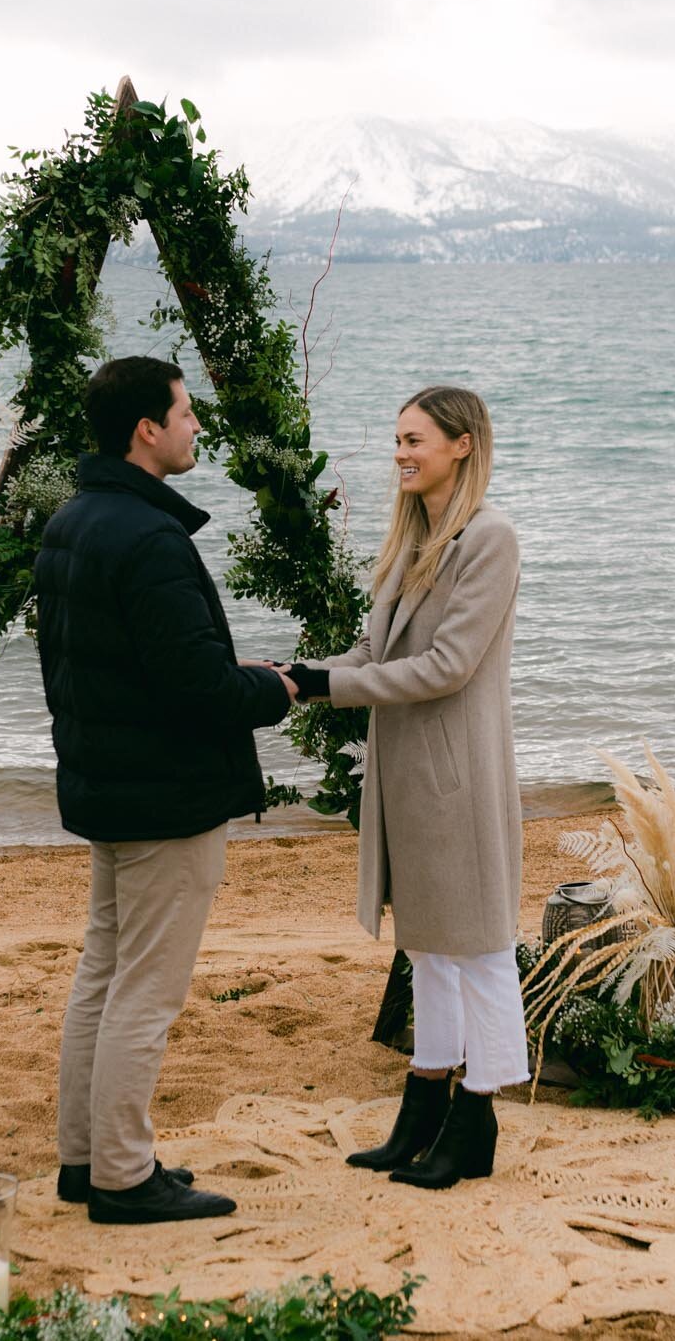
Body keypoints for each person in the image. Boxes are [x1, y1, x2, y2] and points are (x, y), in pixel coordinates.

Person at [34, 355, 297, 1225]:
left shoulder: (74, 520)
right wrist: (274, 686)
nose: (195, 427)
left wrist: (222, 673)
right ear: (147, 428)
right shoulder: (148, 538)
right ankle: (119, 1175)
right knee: (143, 990)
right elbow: (196, 691)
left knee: (103, 974)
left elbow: (104, 668)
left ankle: (85, 1159)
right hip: (163, 798)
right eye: (185, 413)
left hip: (107, 787)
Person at [281, 384, 524, 1190]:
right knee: (428, 947)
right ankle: (424, 1098)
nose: (400, 454)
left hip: (455, 779)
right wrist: (292, 676)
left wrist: (324, 689)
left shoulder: (487, 540)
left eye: (414, 440)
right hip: (406, 779)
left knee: (480, 948)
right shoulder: (415, 538)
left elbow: (445, 668)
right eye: (395, 440)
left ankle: (477, 1113)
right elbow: (370, 648)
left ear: (462, 444)